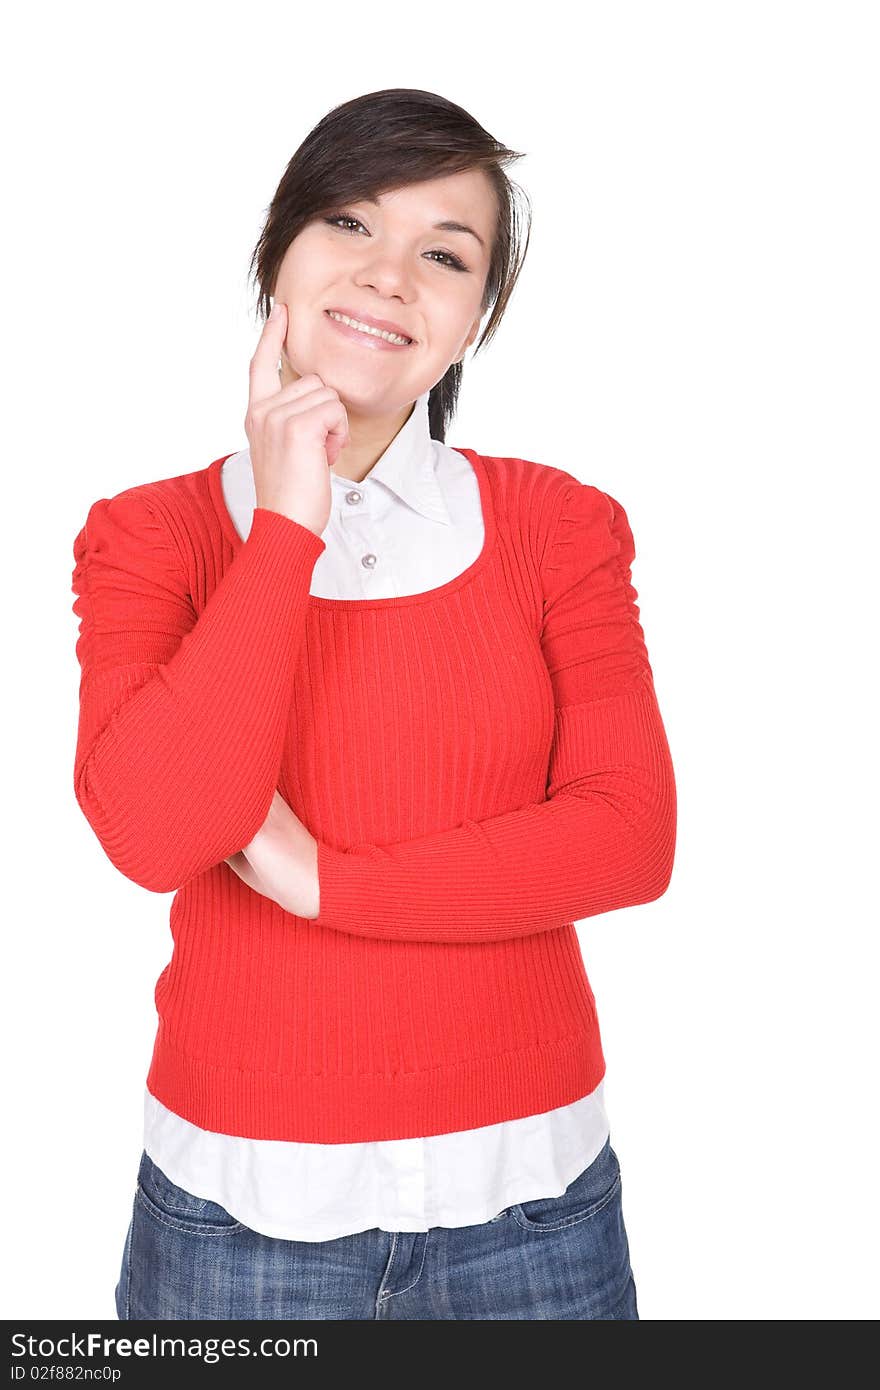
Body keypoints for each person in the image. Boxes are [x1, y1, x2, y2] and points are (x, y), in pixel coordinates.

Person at [70, 87, 677, 1321]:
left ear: (476, 318)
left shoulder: (559, 528)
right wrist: (286, 524)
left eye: (444, 254)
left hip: (537, 1206)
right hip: (237, 1219)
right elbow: (156, 832)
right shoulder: (151, 538)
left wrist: (327, 885)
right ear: (275, 258)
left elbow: (627, 837)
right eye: (349, 223)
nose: (391, 275)